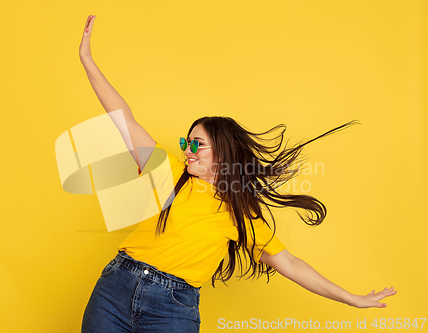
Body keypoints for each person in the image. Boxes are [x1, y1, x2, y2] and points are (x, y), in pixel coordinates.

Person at [78, 15, 397, 333]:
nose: (188, 150)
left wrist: (352, 299)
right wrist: (88, 61)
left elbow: (290, 264)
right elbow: (124, 119)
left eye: (197, 144)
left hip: (172, 308)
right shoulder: (169, 171)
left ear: (222, 150)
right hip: (115, 289)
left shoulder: (239, 212)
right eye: (186, 142)